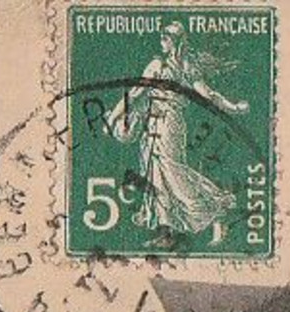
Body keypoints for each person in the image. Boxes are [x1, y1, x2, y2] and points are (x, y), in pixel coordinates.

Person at [105, 22, 249, 246]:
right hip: (152, 126)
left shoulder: (185, 66)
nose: (162, 41)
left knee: (173, 172)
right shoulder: (157, 65)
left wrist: (232, 107)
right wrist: (114, 117)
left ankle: (216, 210)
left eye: (166, 38)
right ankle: (166, 231)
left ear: (176, 41)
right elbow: (134, 94)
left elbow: (208, 94)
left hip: (170, 125)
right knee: (155, 175)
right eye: (161, 37)